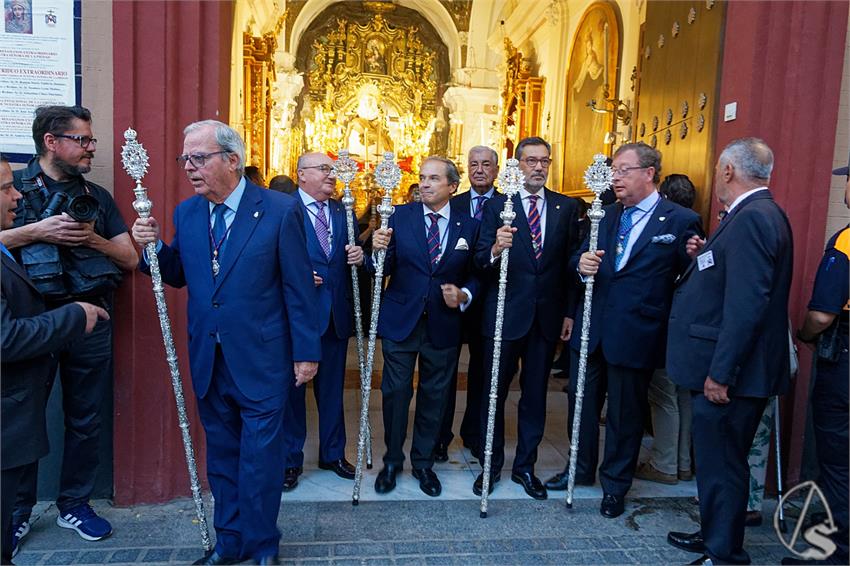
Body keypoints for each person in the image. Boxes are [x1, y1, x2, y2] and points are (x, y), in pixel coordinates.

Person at [131, 120, 320, 565]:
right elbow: (178, 273)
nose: (189, 169)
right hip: (210, 360)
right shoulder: (187, 213)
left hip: (264, 359)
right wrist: (151, 248)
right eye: (185, 160)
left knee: (259, 462)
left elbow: (298, 285)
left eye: (199, 158)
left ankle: (260, 548)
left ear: (231, 160)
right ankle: (229, 543)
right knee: (222, 459)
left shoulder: (278, 210)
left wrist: (306, 353)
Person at [1, 106, 137, 547]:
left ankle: (74, 504)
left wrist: (89, 237)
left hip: (89, 319)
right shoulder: (13, 191)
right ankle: (16, 512)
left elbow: (131, 257)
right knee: (23, 416)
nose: (91, 148)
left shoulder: (94, 195)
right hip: (29, 320)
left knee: (86, 416)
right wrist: (37, 231)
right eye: (82, 140)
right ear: (51, 142)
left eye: (91, 140)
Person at [546, 145, 702, 519]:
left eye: (623, 170)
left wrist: (698, 257)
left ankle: (615, 485)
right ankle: (580, 469)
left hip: (637, 330)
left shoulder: (680, 220)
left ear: (649, 173)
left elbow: (690, 276)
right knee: (580, 404)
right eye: (613, 170)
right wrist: (580, 264)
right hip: (592, 326)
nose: (614, 177)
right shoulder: (604, 214)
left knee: (625, 412)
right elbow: (577, 258)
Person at [666, 138, 793, 565]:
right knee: (720, 461)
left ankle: (724, 553)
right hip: (738, 368)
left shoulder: (754, 217)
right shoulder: (754, 214)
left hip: (734, 374)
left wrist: (721, 373)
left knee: (724, 463)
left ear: (727, 171)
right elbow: (738, 280)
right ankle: (716, 535)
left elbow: (746, 304)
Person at [473, 136, 579, 500]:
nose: (538, 167)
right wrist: (495, 248)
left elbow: (568, 266)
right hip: (503, 314)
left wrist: (568, 312)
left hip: (545, 317)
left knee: (535, 396)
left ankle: (525, 467)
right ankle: (490, 465)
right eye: (531, 160)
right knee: (494, 395)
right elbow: (479, 260)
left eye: (544, 161)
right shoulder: (498, 207)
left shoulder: (566, 208)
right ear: (517, 165)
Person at [369, 156, 479, 497]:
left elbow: (476, 272)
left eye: (434, 178)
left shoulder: (469, 226)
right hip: (401, 320)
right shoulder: (398, 217)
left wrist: (463, 294)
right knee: (396, 393)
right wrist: (376, 249)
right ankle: (391, 460)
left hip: (443, 324)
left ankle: (423, 464)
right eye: (422, 177)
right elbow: (382, 268)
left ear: (452, 186)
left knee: (435, 396)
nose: (425, 183)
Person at [282, 152, 363, 492]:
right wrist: (297, 275)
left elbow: (352, 261)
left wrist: (361, 257)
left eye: (332, 169)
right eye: (323, 169)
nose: (332, 175)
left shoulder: (343, 212)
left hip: (334, 316)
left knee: (332, 391)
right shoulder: (284, 210)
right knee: (293, 391)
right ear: (301, 175)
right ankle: (289, 460)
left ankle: (333, 454)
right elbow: (269, 260)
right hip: (298, 317)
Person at [784, 158, 849, 565]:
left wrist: (805, 334)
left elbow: (823, 313)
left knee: (840, 462)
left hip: (844, 364)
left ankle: (837, 551)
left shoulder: (845, 242)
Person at [435, 145, 500, 462]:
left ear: (496, 170)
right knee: (445, 373)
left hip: (490, 302)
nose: (479, 169)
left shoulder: (507, 205)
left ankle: (474, 433)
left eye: (486, 164)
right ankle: (440, 437)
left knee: (482, 373)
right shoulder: (452, 203)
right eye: (473, 164)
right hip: (451, 300)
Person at [636, 173, 699, 486]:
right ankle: (682, 463)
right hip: (685, 327)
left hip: (667, 325)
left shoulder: (680, 230)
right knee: (682, 393)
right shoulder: (697, 229)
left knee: (663, 394)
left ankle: (664, 464)